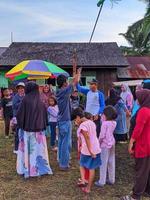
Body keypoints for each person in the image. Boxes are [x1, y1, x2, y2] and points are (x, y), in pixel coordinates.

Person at [16, 82, 52, 178]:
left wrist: (20, 124)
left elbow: (19, 114)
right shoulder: (41, 100)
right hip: (39, 131)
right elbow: (45, 115)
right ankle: (41, 169)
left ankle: (27, 169)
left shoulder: (25, 100)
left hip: (28, 131)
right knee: (39, 151)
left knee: (29, 150)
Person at [121, 89, 150, 200]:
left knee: (141, 170)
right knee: (147, 169)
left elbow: (138, 129)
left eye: (138, 97)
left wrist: (131, 142)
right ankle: (147, 190)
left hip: (143, 144)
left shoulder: (144, 110)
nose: (136, 100)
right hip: (148, 143)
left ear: (143, 98)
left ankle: (135, 195)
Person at [72, 108, 101, 194]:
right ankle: (84, 182)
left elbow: (87, 138)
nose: (75, 121)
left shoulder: (83, 126)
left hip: (88, 150)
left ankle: (86, 185)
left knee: (82, 165)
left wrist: (90, 151)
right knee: (91, 168)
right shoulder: (91, 122)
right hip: (96, 148)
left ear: (78, 117)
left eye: (75, 119)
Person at [56, 69, 81, 170]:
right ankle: (64, 164)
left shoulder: (59, 92)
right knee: (65, 144)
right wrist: (78, 74)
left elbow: (73, 83)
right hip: (65, 121)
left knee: (62, 142)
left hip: (62, 120)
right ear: (64, 83)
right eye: (66, 81)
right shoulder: (63, 92)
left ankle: (61, 160)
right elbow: (74, 83)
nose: (67, 82)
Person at [95, 106, 117, 187]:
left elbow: (102, 135)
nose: (102, 115)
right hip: (112, 143)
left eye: (103, 114)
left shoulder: (104, 124)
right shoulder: (114, 123)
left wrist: (98, 142)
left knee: (103, 163)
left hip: (104, 145)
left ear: (107, 115)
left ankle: (102, 181)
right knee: (111, 161)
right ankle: (111, 179)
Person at [12, 82, 25, 153]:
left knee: (24, 132)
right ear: (17, 89)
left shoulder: (26, 95)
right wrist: (22, 101)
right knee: (17, 132)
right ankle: (16, 148)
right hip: (17, 116)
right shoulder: (15, 97)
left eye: (22, 88)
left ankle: (23, 146)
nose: (21, 89)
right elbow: (14, 106)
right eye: (19, 88)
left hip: (25, 117)